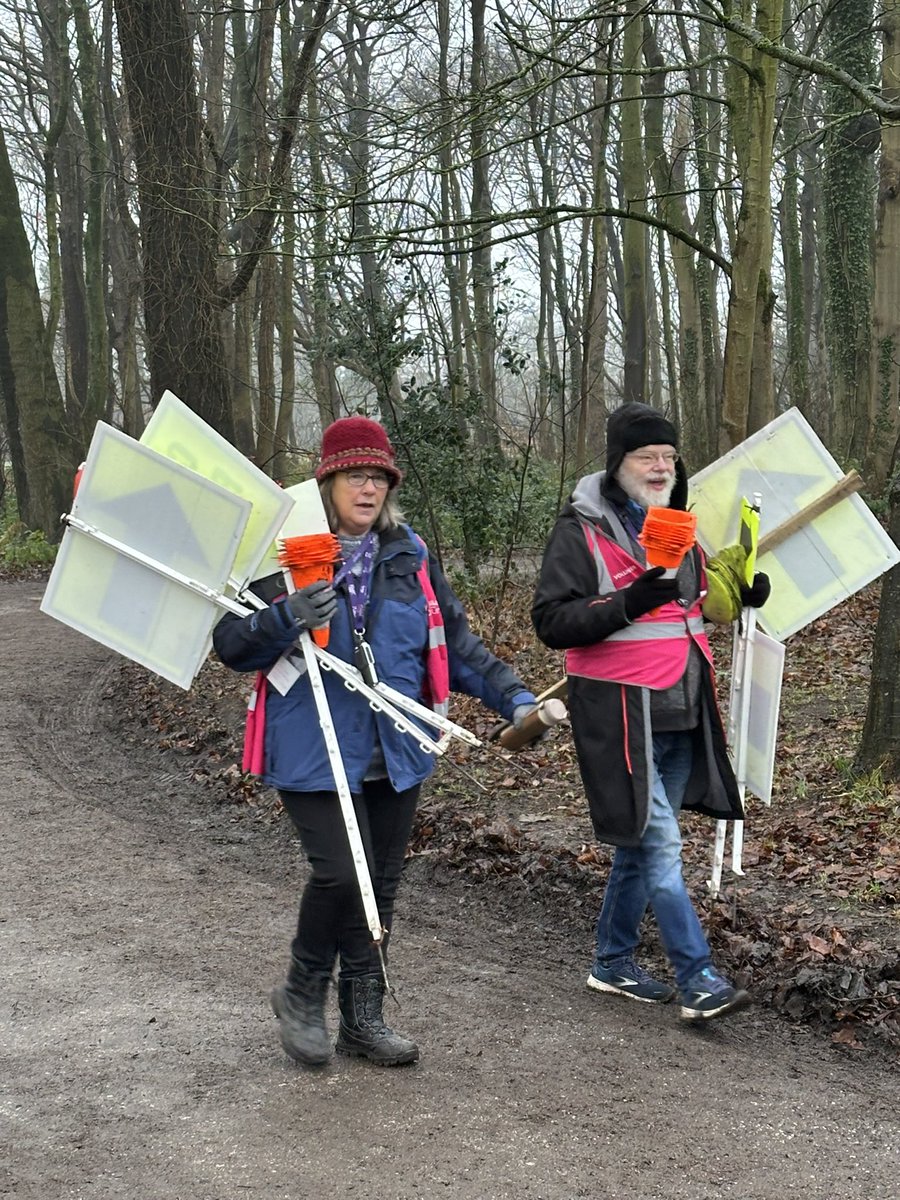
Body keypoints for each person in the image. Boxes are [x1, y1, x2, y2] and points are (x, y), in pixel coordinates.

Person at [214, 416, 537, 1067]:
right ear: (327, 481)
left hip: (396, 745)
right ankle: (303, 993)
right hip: (312, 746)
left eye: (378, 478)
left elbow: (458, 647)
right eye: (355, 476)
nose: (367, 488)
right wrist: (285, 615)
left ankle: (363, 1018)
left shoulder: (408, 556)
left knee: (379, 885)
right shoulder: (281, 553)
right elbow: (229, 644)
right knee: (339, 873)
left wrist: (516, 698)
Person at [531, 401, 770, 1022]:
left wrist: (741, 594)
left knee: (640, 843)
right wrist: (627, 603)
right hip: (621, 714)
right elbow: (551, 622)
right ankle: (699, 981)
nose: (662, 467)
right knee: (661, 847)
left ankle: (611, 962)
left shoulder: (680, 525)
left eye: (668, 456)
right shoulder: (580, 531)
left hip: (682, 713)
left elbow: (700, 607)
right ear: (619, 464)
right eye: (648, 457)